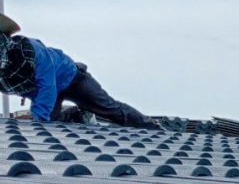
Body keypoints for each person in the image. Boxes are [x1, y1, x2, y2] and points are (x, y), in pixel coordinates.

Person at [0, 13, 159, 129]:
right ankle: (74, 115)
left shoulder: (30, 51)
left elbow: (47, 86)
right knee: (52, 123)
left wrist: (38, 120)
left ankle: (152, 127)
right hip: (43, 92)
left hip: (72, 80)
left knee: (109, 108)